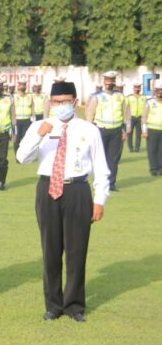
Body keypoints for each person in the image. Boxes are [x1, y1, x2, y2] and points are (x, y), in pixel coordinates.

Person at [16, 81, 109, 323]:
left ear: (75, 103)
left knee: (77, 249)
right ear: (50, 102)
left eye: (66, 101)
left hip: (77, 189)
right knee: (50, 249)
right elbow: (21, 157)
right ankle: (53, 305)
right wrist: (39, 134)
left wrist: (99, 200)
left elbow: (101, 167)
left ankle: (74, 305)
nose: (61, 106)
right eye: (56, 102)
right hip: (47, 189)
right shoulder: (40, 126)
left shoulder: (89, 130)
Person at [85, 71, 130, 191]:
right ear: (104, 81)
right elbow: (90, 114)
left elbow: (126, 113)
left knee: (113, 158)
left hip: (116, 131)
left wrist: (126, 129)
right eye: (108, 80)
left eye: (112, 80)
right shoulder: (97, 96)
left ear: (115, 82)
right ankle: (99, 182)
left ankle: (111, 184)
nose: (110, 83)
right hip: (101, 130)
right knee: (99, 158)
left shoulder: (120, 96)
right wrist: (90, 130)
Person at [142, 80, 162, 176]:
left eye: (161, 90)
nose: (160, 92)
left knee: (161, 151)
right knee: (152, 150)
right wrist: (144, 130)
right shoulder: (150, 102)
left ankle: (160, 168)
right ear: (155, 91)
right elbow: (144, 117)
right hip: (152, 129)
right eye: (158, 90)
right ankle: (153, 169)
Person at [13, 81, 34, 157]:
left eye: (24, 85)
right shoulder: (14, 96)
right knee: (16, 140)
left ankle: (25, 156)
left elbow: (32, 108)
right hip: (17, 121)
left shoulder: (30, 96)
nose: (22, 87)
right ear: (18, 86)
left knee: (26, 140)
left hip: (27, 120)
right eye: (21, 85)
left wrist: (33, 120)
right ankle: (17, 156)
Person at [126, 82, 145, 153]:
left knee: (138, 134)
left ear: (140, 88)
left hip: (140, 118)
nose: (137, 89)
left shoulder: (143, 97)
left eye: (138, 87)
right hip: (131, 117)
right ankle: (130, 148)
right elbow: (127, 108)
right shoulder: (129, 97)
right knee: (129, 133)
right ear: (133, 88)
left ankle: (137, 148)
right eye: (136, 87)